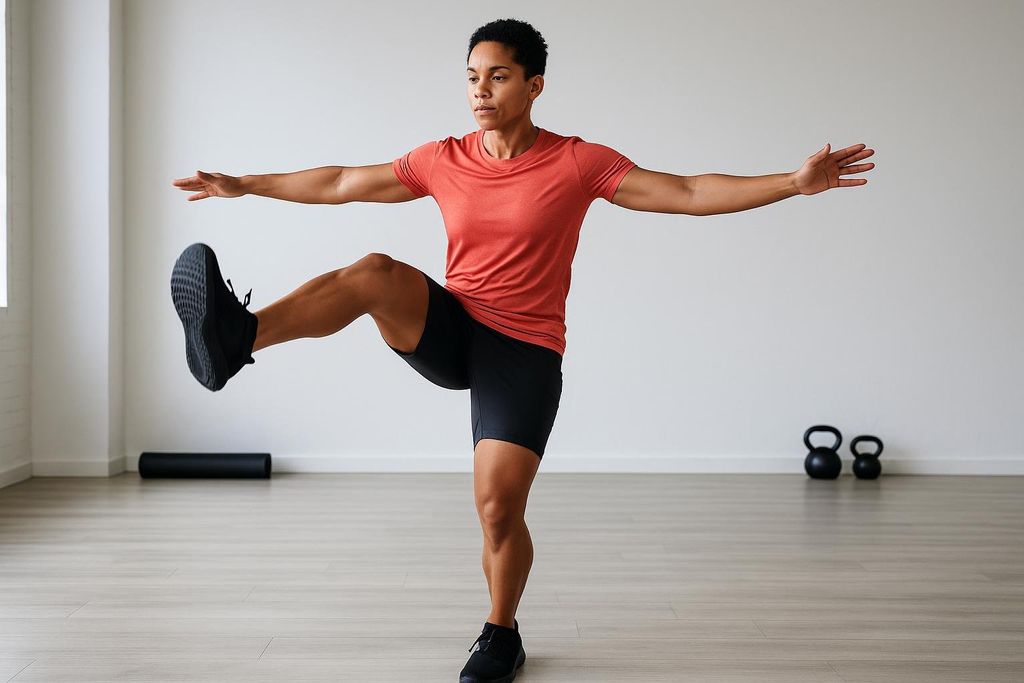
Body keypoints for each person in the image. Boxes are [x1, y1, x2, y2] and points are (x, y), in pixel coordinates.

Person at [170, 17, 874, 683]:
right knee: (375, 272)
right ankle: (240, 337)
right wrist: (245, 185)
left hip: (523, 349)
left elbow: (686, 191)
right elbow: (342, 182)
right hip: (452, 328)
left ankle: (501, 631)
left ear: (535, 85)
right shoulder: (443, 159)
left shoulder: (577, 162)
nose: (480, 90)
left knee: (497, 507)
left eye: (498, 76)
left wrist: (792, 183)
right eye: (472, 77)